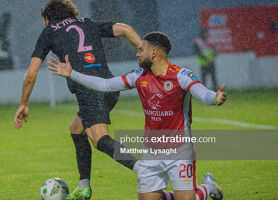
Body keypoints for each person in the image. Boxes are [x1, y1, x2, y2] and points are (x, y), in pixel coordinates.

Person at [48, 32, 226, 200]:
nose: (137, 53)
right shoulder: (139, 76)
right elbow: (105, 84)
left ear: (154, 53)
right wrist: (72, 74)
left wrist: (215, 97)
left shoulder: (180, 75)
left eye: (141, 49)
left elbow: (203, 93)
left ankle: (208, 186)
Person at [13, 0, 141, 199]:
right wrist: (144, 54)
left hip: (90, 91)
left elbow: (31, 74)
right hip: (109, 85)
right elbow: (126, 29)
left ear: (47, 18)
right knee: (76, 128)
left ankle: (144, 170)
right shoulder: (87, 23)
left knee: (100, 140)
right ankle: (84, 187)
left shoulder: (49, 31)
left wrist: (23, 103)